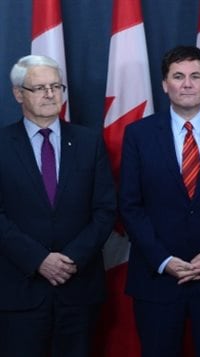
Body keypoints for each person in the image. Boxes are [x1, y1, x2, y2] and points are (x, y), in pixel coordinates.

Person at [119, 46, 200, 357]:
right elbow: (130, 205)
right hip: (157, 278)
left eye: (195, 76)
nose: (187, 84)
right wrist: (164, 260)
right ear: (165, 84)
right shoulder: (138, 134)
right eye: (178, 76)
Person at [0, 55, 116, 357]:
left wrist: (71, 259)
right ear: (18, 94)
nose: (50, 94)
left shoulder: (89, 142)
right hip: (19, 291)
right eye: (39, 88)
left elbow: (105, 210)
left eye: (56, 86)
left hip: (78, 289)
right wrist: (39, 259)